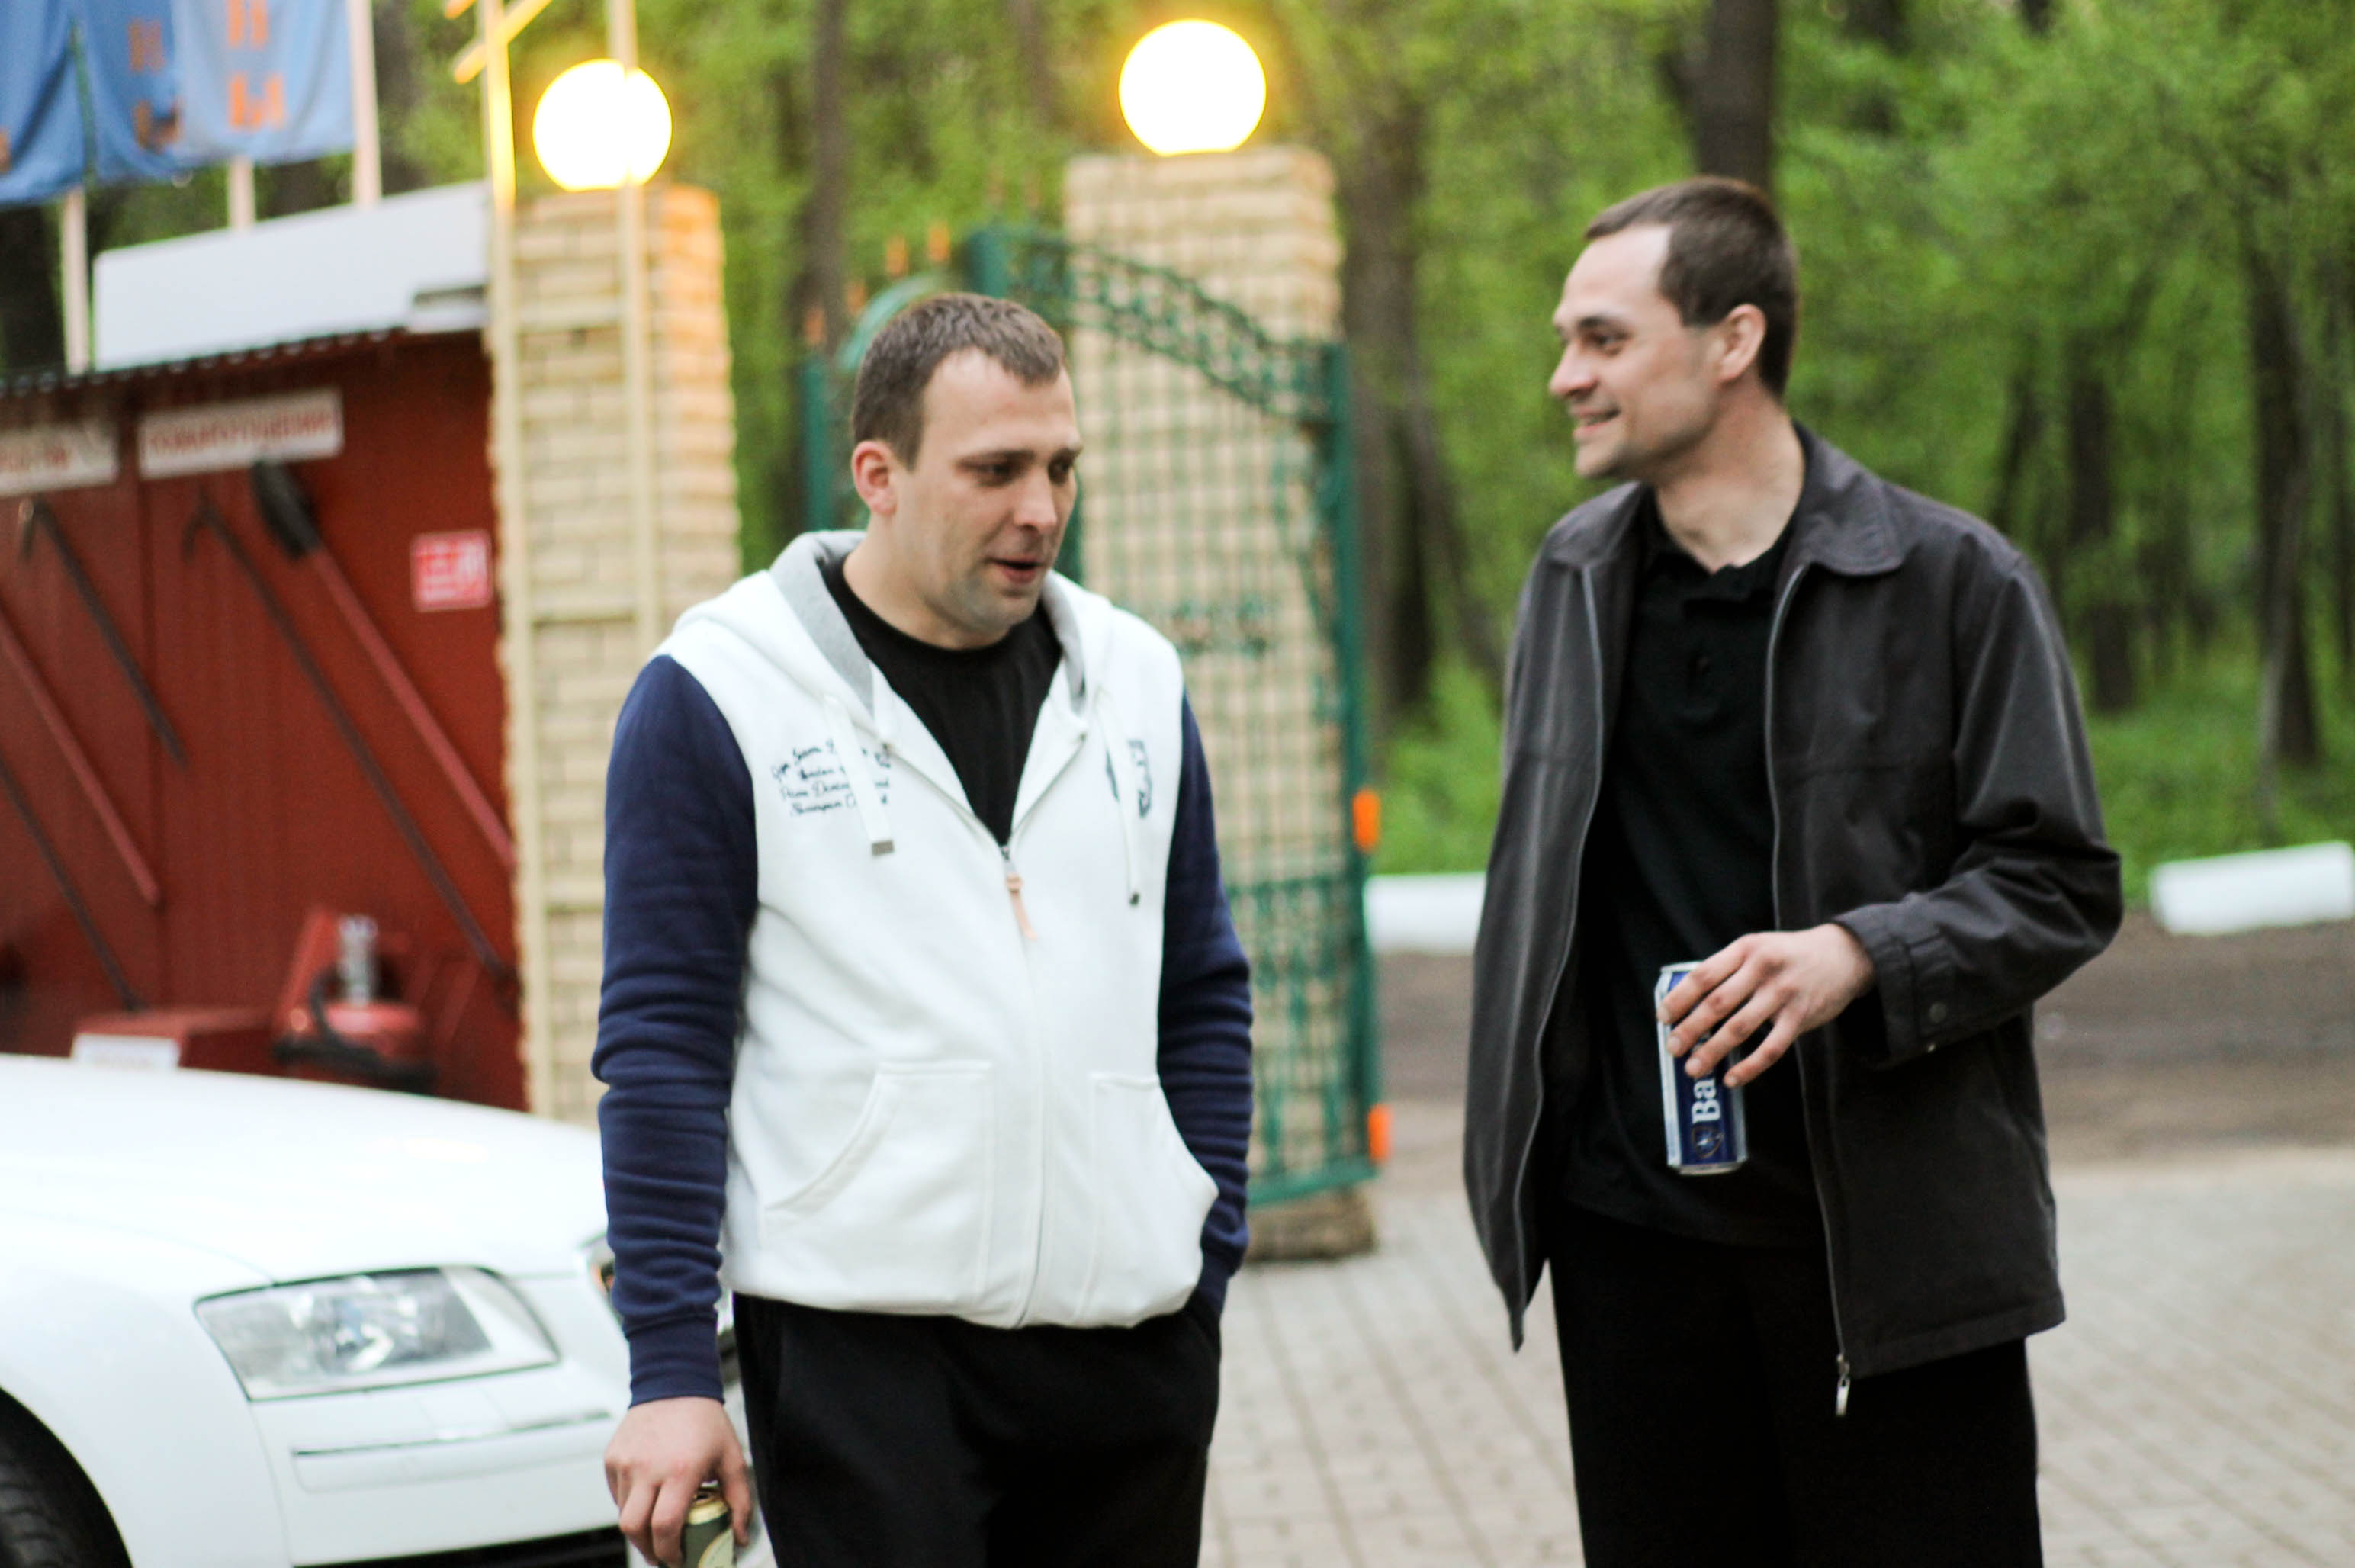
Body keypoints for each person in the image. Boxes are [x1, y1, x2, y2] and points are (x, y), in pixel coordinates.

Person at [1463, 178, 2122, 1566]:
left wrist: (1863, 953)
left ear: (1734, 341)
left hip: (1886, 1259)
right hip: (1631, 1253)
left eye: (1603, 339)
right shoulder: (1571, 579)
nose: (1565, 376)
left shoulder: (1955, 581)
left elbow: (2061, 879)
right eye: (1568, 341)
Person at [593, 293, 1253, 1567]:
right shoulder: (720, 690)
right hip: (863, 1361)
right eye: (995, 471)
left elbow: (1204, 993)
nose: (1041, 509)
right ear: (878, 476)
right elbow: (664, 1045)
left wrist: (1204, 1257)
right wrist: (669, 1369)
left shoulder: (1136, 681)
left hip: (1131, 1357)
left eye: (1061, 466)